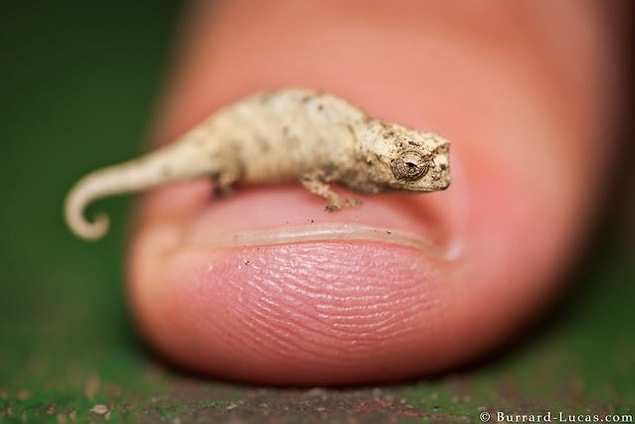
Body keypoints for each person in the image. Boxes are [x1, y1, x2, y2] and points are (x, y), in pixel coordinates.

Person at [127, 1, 624, 385]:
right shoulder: (348, 156)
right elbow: (312, 174)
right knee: (211, 162)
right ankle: (227, 182)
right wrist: (333, 201)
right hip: (240, 140)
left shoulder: (366, 150)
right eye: (412, 169)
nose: (433, 177)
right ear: (381, 164)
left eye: (429, 158)